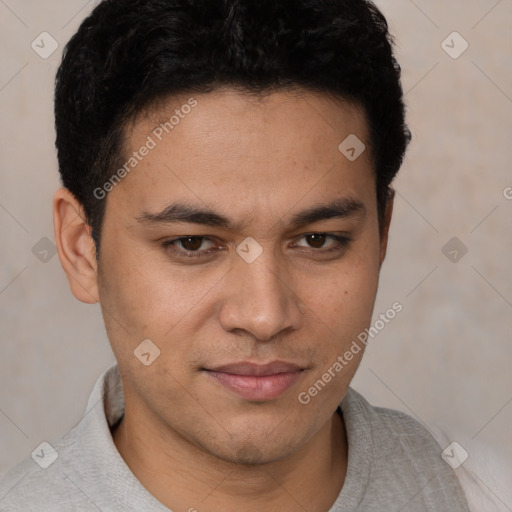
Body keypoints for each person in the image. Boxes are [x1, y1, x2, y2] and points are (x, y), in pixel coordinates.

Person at [0, 0, 470, 510]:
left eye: (317, 240)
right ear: (81, 250)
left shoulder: (481, 492)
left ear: (382, 236)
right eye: (192, 243)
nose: (265, 316)